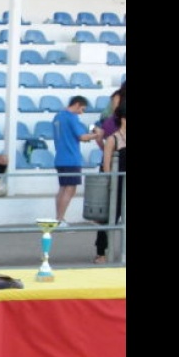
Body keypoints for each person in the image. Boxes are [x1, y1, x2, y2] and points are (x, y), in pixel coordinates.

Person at [52, 95, 98, 226]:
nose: (81, 112)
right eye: (82, 109)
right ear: (77, 104)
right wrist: (96, 135)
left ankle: (58, 218)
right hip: (71, 158)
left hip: (60, 157)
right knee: (70, 189)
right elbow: (82, 136)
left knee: (62, 188)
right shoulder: (72, 117)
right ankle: (60, 219)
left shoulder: (58, 117)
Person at [93, 107, 126, 264]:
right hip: (118, 184)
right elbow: (106, 165)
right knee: (108, 218)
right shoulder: (113, 139)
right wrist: (110, 184)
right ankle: (101, 252)